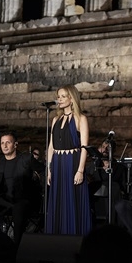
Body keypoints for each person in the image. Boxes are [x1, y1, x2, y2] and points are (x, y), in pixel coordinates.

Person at [45, 84, 92, 236]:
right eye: (58, 97)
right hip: (58, 164)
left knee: (73, 202)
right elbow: (51, 146)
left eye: (63, 96)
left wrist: (80, 170)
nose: (59, 99)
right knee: (58, 201)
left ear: (72, 98)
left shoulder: (81, 118)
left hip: (73, 163)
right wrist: (49, 169)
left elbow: (84, 147)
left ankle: (74, 238)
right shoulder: (55, 119)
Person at [0, 131, 36, 245]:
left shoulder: (26, 159)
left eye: (8, 143)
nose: (4, 146)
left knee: (18, 210)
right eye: (2, 143)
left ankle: (17, 248)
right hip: (3, 200)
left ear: (15, 144)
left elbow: (43, 171)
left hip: (22, 200)